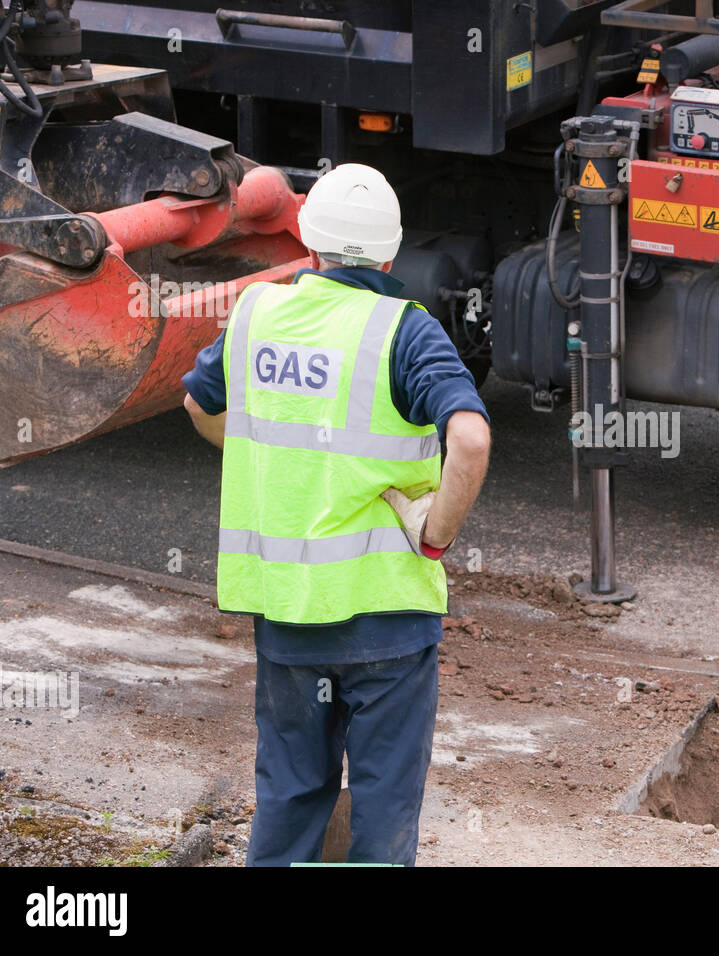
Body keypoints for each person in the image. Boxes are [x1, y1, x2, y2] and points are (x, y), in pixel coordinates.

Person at [181, 163, 490, 865]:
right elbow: (469, 438)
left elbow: (200, 404)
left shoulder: (257, 314)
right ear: (390, 255)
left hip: (289, 619)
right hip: (388, 625)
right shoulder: (405, 332)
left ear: (310, 248)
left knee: (290, 797)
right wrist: (435, 535)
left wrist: (261, 452)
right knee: (383, 812)